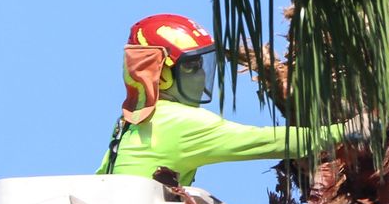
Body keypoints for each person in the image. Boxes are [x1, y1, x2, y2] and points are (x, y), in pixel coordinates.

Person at [96, 13, 354, 184]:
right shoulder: (179, 123)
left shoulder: (131, 122)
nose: (201, 76)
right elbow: (266, 141)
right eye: (191, 67)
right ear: (161, 75)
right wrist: (345, 131)